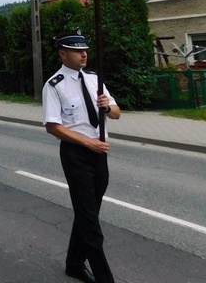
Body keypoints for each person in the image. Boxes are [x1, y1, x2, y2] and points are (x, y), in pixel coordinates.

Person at [42, 29, 121, 283]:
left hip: (100, 154)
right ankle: (104, 277)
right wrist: (88, 142)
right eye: (77, 51)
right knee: (89, 219)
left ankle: (74, 263)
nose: (83, 54)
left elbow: (117, 112)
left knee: (88, 212)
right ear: (63, 54)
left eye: (85, 50)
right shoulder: (54, 85)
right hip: (76, 154)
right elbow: (52, 126)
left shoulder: (94, 80)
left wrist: (107, 106)